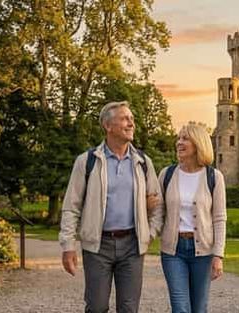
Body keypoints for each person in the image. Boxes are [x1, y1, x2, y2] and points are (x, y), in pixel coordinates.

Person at [59, 101, 163, 313]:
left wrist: (149, 234)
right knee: (96, 307)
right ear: (108, 126)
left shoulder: (143, 162)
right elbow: (71, 206)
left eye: (131, 119)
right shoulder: (87, 161)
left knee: (129, 308)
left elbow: (158, 204)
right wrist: (67, 245)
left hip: (132, 245)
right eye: (125, 119)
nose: (131, 123)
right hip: (98, 246)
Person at [158, 123, 227, 313]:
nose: (179, 142)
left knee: (199, 308)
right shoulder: (167, 174)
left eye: (185, 138)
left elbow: (219, 218)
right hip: (173, 251)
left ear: (198, 144)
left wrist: (218, 255)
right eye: (178, 138)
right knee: (180, 308)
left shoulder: (214, 177)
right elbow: (158, 212)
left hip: (203, 253)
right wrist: (147, 233)